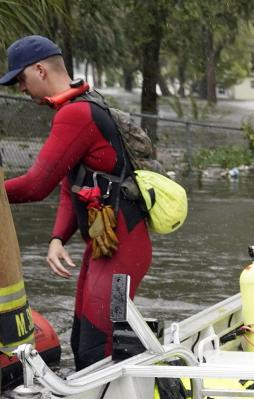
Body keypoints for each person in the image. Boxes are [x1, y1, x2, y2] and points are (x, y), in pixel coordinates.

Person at [1, 35, 152, 369]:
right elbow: (76, 187)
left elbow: (36, 185)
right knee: (83, 339)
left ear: (39, 70)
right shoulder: (85, 101)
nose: (21, 89)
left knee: (98, 344)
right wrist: (57, 238)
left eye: (20, 79)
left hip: (122, 251)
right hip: (107, 247)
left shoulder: (76, 114)